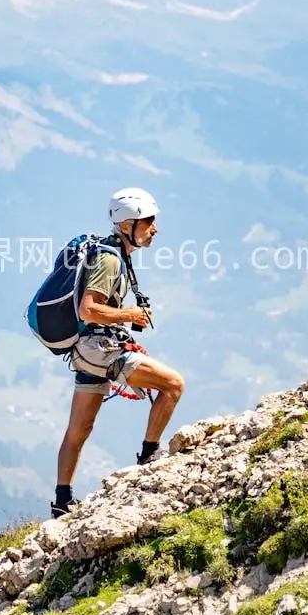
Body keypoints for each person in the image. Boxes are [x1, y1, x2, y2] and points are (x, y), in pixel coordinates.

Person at [52, 188, 185, 517]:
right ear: (127, 225)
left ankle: (62, 501)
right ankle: (148, 458)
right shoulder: (110, 259)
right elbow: (88, 310)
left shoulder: (114, 254)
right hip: (101, 350)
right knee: (173, 385)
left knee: (79, 429)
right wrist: (130, 315)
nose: (154, 228)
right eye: (148, 222)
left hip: (89, 351)